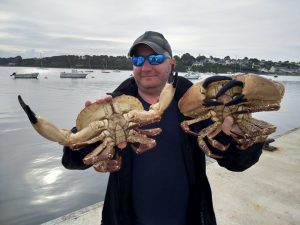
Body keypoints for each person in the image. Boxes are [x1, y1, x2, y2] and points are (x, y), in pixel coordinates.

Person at [62, 31, 264, 225]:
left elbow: (238, 163)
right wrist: (87, 132)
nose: (146, 66)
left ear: (172, 63)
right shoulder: (112, 108)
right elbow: (72, 161)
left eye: (156, 59)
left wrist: (239, 133)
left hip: (190, 218)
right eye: (138, 61)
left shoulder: (198, 107)